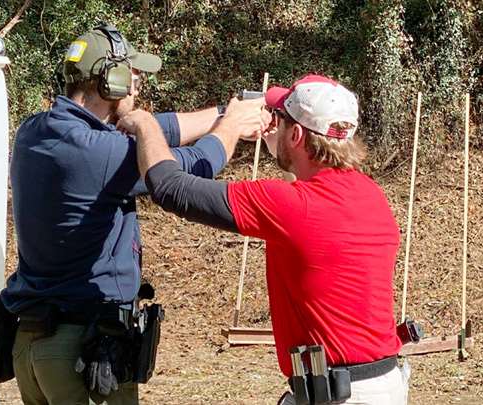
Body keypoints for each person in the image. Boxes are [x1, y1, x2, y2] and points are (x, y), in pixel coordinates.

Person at [0, 23, 267, 405]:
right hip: (81, 351)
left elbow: (157, 131)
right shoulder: (99, 152)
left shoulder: (37, 130)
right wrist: (233, 129)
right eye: (133, 75)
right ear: (111, 79)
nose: (138, 84)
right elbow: (191, 165)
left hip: (34, 346)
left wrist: (226, 113)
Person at [126, 74, 409, 405]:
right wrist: (283, 144)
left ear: (298, 134)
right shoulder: (370, 195)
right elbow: (312, 211)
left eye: (283, 120)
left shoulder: (290, 205)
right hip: (382, 383)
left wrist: (146, 123)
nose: (275, 125)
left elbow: (171, 188)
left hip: (340, 395)